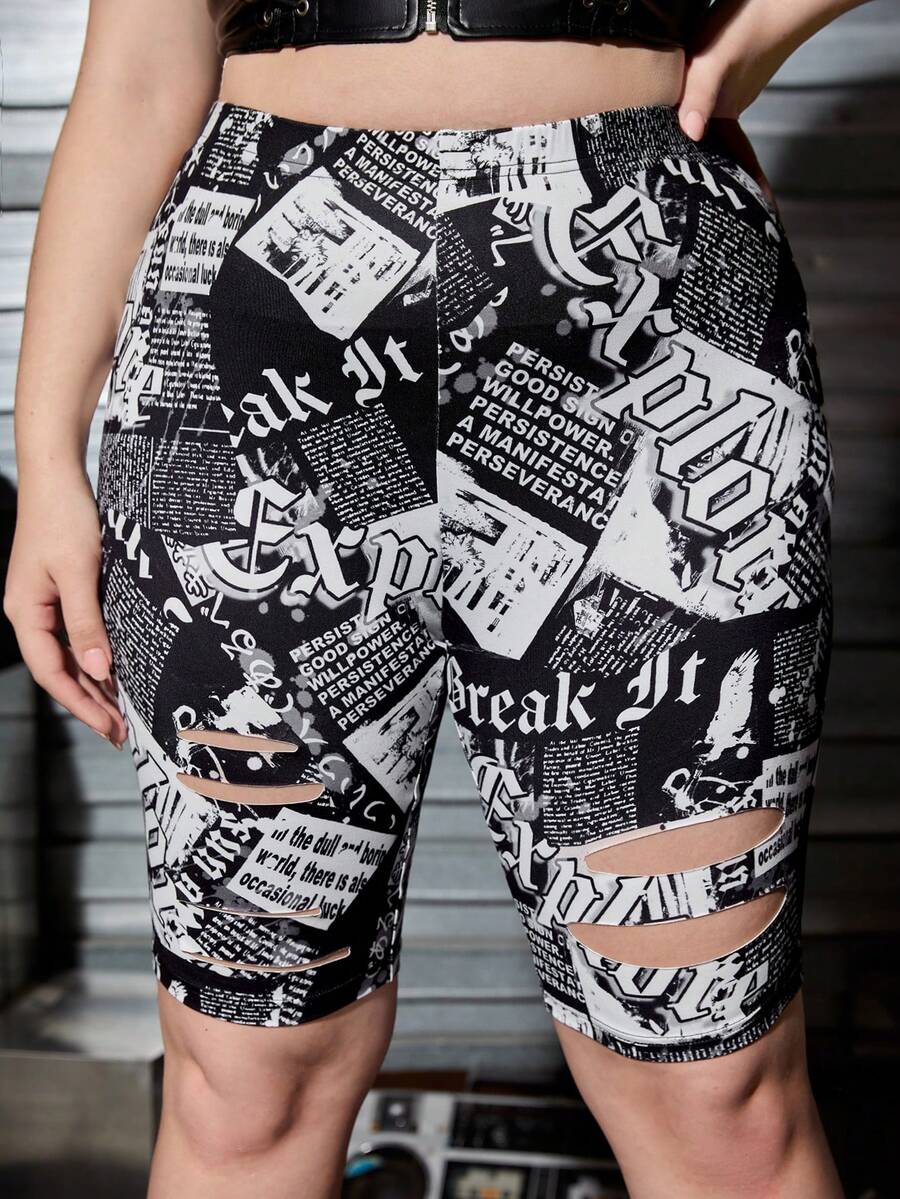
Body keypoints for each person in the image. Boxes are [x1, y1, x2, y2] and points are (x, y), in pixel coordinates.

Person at [7, 1, 866, 1195]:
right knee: (247, 1072)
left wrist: (757, 28)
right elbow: (140, 76)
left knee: (717, 1090)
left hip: (642, 299)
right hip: (253, 332)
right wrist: (46, 454)